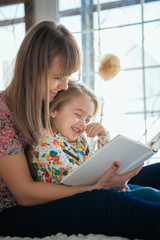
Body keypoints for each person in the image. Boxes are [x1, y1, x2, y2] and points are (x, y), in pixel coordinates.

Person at [0, 20, 160, 240]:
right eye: (57, 77)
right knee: (106, 203)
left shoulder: (48, 102)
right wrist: (97, 187)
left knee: (155, 173)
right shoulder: (3, 113)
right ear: (32, 70)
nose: (65, 86)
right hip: (14, 213)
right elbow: (25, 194)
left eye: (68, 76)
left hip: (66, 184)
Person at [30, 80, 160, 202]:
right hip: (75, 200)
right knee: (149, 195)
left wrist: (103, 137)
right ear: (53, 110)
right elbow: (72, 178)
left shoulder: (78, 141)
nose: (83, 124)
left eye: (87, 120)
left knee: (150, 193)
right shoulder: (45, 143)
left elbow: (97, 163)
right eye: (78, 115)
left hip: (98, 192)